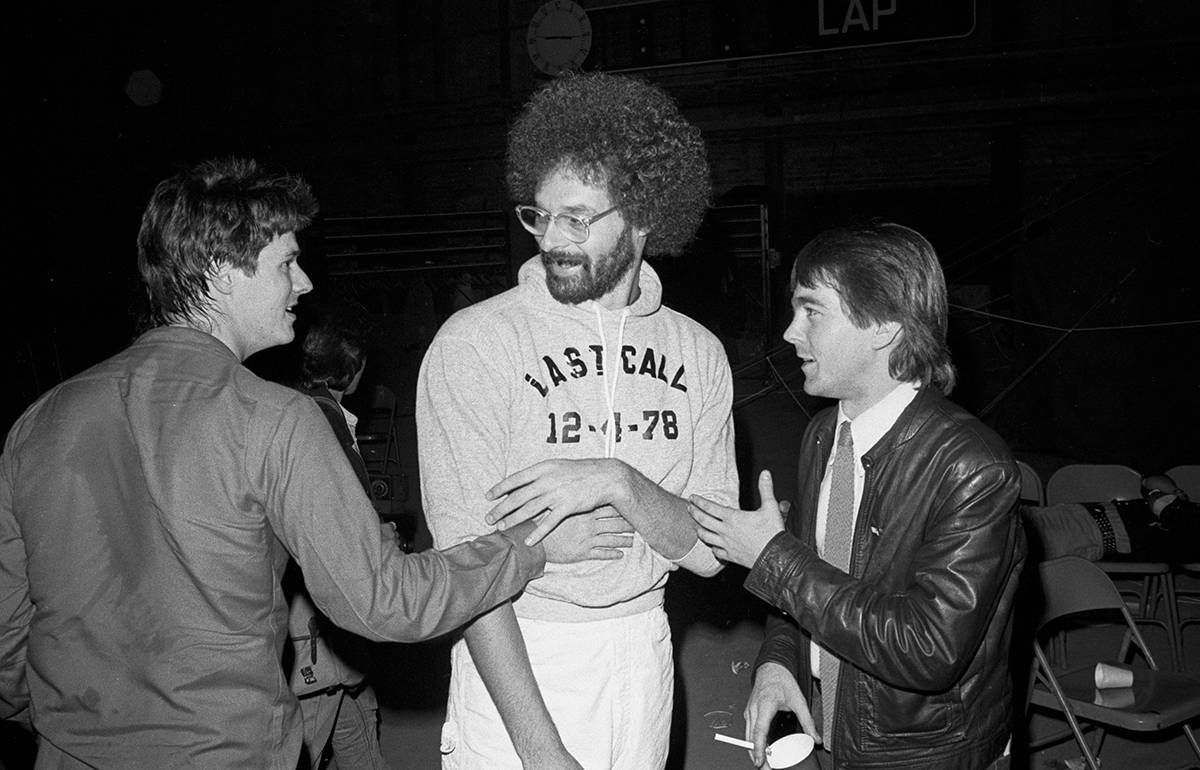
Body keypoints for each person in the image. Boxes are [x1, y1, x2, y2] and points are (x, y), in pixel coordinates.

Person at [0, 157, 551, 768]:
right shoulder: (273, 419)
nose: (305, 282)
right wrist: (525, 548)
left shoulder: (39, 422)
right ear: (219, 274)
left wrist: (64, 723)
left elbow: (7, 638)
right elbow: (384, 601)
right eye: (286, 263)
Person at [416, 72, 739, 769]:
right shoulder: (476, 344)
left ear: (645, 213)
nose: (551, 240)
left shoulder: (698, 354)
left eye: (578, 219)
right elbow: (463, 567)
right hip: (520, 662)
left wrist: (617, 481)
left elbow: (711, 551)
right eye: (539, 215)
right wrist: (540, 748)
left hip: (643, 652)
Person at [690, 222, 1025, 769]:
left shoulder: (971, 466)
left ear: (884, 325)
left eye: (812, 311)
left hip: (924, 756)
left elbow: (928, 649)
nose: (791, 333)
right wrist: (779, 662)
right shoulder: (825, 433)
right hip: (835, 735)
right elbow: (804, 573)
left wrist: (771, 558)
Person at [286, 304, 389, 769]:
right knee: (305, 743)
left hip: (320, 622)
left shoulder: (298, 407)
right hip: (317, 618)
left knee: (356, 720)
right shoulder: (321, 422)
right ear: (354, 367)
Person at [1023, 470, 1200, 563]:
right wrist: (1172, 491)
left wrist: (1162, 499)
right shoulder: (1183, 506)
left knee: (1011, 544)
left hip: (1093, 535)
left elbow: (1164, 508)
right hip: (1077, 513)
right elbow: (1148, 481)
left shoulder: (1188, 522)